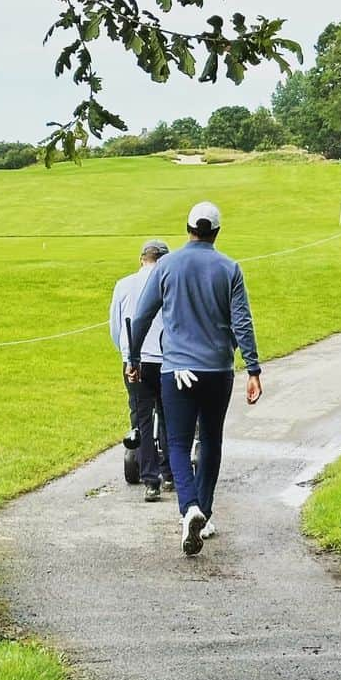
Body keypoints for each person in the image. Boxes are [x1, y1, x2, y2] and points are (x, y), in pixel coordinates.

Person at [127, 201, 262, 555]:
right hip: (217, 370)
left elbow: (142, 315)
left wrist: (134, 357)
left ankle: (189, 508)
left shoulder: (167, 265)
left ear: (188, 228)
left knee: (177, 444)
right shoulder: (229, 268)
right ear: (216, 232)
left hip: (177, 370)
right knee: (212, 441)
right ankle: (205, 508)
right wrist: (253, 368)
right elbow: (242, 321)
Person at [109, 239, 173, 502]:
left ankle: (150, 480)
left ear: (142, 259)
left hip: (135, 361)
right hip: (166, 359)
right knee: (169, 416)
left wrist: (126, 354)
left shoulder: (124, 285)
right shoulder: (170, 283)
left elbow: (116, 328)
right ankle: (170, 473)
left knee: (143, 419)